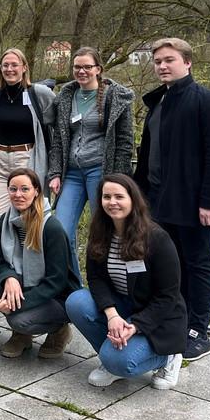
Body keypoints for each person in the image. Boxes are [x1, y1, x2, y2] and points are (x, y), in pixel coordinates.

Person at [134, 37, 210, 361]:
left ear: (187, 62)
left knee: (199, 264)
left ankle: (197, 331)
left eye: (169, 60)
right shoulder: (159, 103)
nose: (162, 65)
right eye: (158, 61)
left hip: (195, 204)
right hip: (160, 202)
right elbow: (148, 155)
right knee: (170, 266)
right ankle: (175, 321)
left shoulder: (208, 101)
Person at [66, 174, 186, 390]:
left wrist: (137, 325)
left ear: (133, 199)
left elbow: (168, 295)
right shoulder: (100, 231)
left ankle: (167, 358)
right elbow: (96, 278)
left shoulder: (157, 238)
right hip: (122, 306)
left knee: (121, 363)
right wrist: (112, 315)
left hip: (156, 316)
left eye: (119, 196)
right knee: (76, 302)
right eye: (106, 197)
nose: (112, 202)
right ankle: (109, 356)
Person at [48, 47, 134, 274]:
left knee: (105, 233)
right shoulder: (66, 97)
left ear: (98, 69)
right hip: (72, 174)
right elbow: (59, 140)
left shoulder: (115, 98)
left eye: (87, 67)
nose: (82, 71)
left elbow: (125, 142)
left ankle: (106, 287)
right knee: (61, 231)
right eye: (77, 67)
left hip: (101, 173)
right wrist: (55, 172)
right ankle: (73, 287)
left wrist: (119, 180)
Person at [0, 168, 80, 358]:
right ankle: (22, 337)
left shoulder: (51, 227)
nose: (18, 194)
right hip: (27, 283)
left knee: (19, 319)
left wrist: (17, 305)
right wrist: (10, 277)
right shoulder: (6, 220)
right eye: (13, 189)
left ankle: (59, 330)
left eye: (25, 189)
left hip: (58, 296)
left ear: (36, 191)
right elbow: (0, 260)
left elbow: (57, 281)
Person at [0, 49, 55, 242]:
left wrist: (54, 167)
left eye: (14, 65)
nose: (10, 69)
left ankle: (27, 267)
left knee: (27, 219)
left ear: (24, 67)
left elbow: (54, 127)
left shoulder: (39, 94)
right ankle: (3, 267)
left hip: (26, 159)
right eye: (5, 65)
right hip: (0, 161)